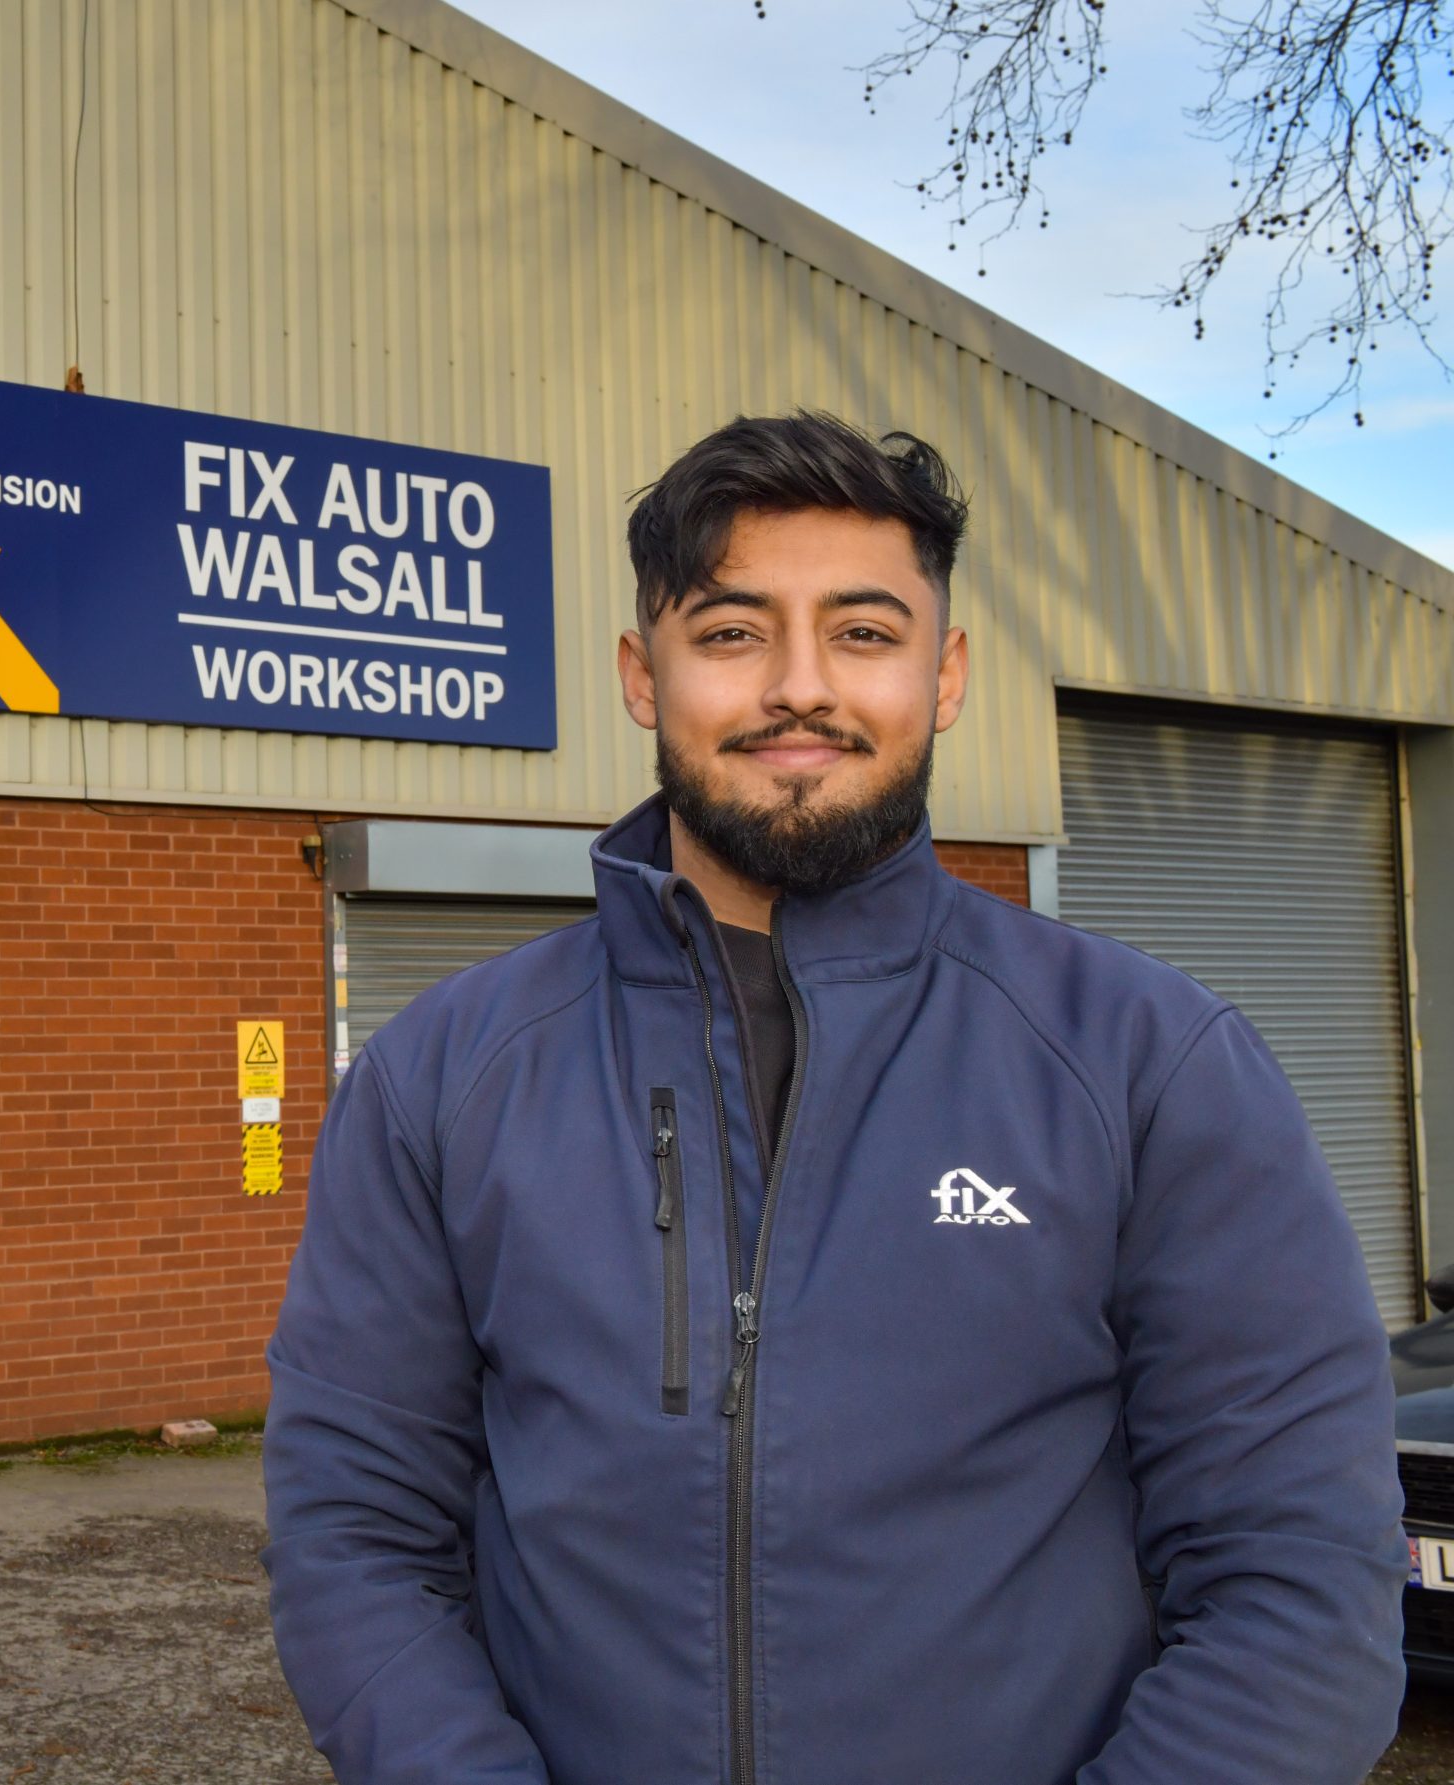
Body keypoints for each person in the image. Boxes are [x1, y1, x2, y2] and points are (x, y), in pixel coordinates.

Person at [261, 412, 1405, 1784]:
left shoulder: (1149, 1062)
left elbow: (1300, 1578)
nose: (801, 687)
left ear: (947, 670)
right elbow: (358, 1542)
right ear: (643, 673)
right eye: (732, 631)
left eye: (864, 632)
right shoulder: (442, 1077)